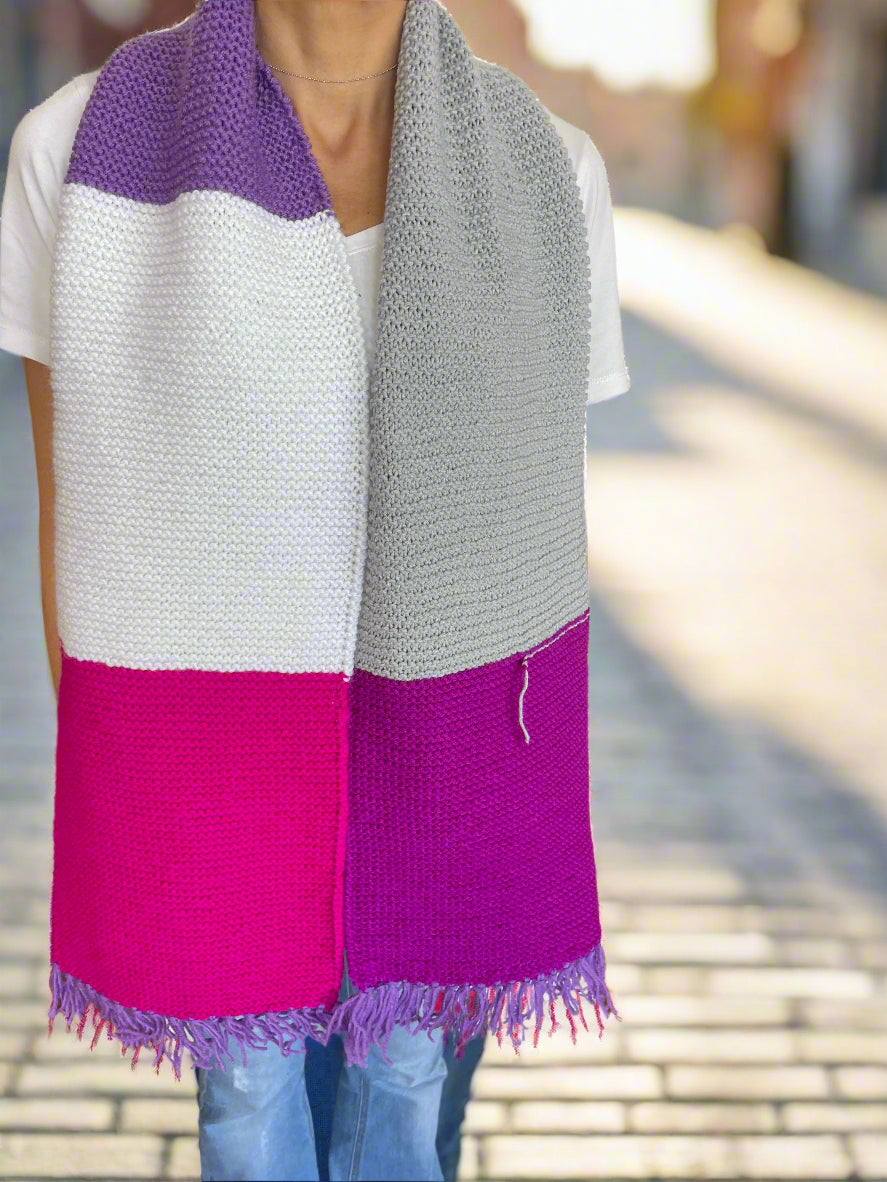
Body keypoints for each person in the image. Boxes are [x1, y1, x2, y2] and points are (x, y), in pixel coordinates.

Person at [0, 2, 629, 1179]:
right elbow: (78, 539)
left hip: (448, 789)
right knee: (248, 1129)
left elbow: (530, 538)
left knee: (408, 1121)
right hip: (213, 776)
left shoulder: (549, 174)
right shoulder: (75, 161)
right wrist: (154, 817)